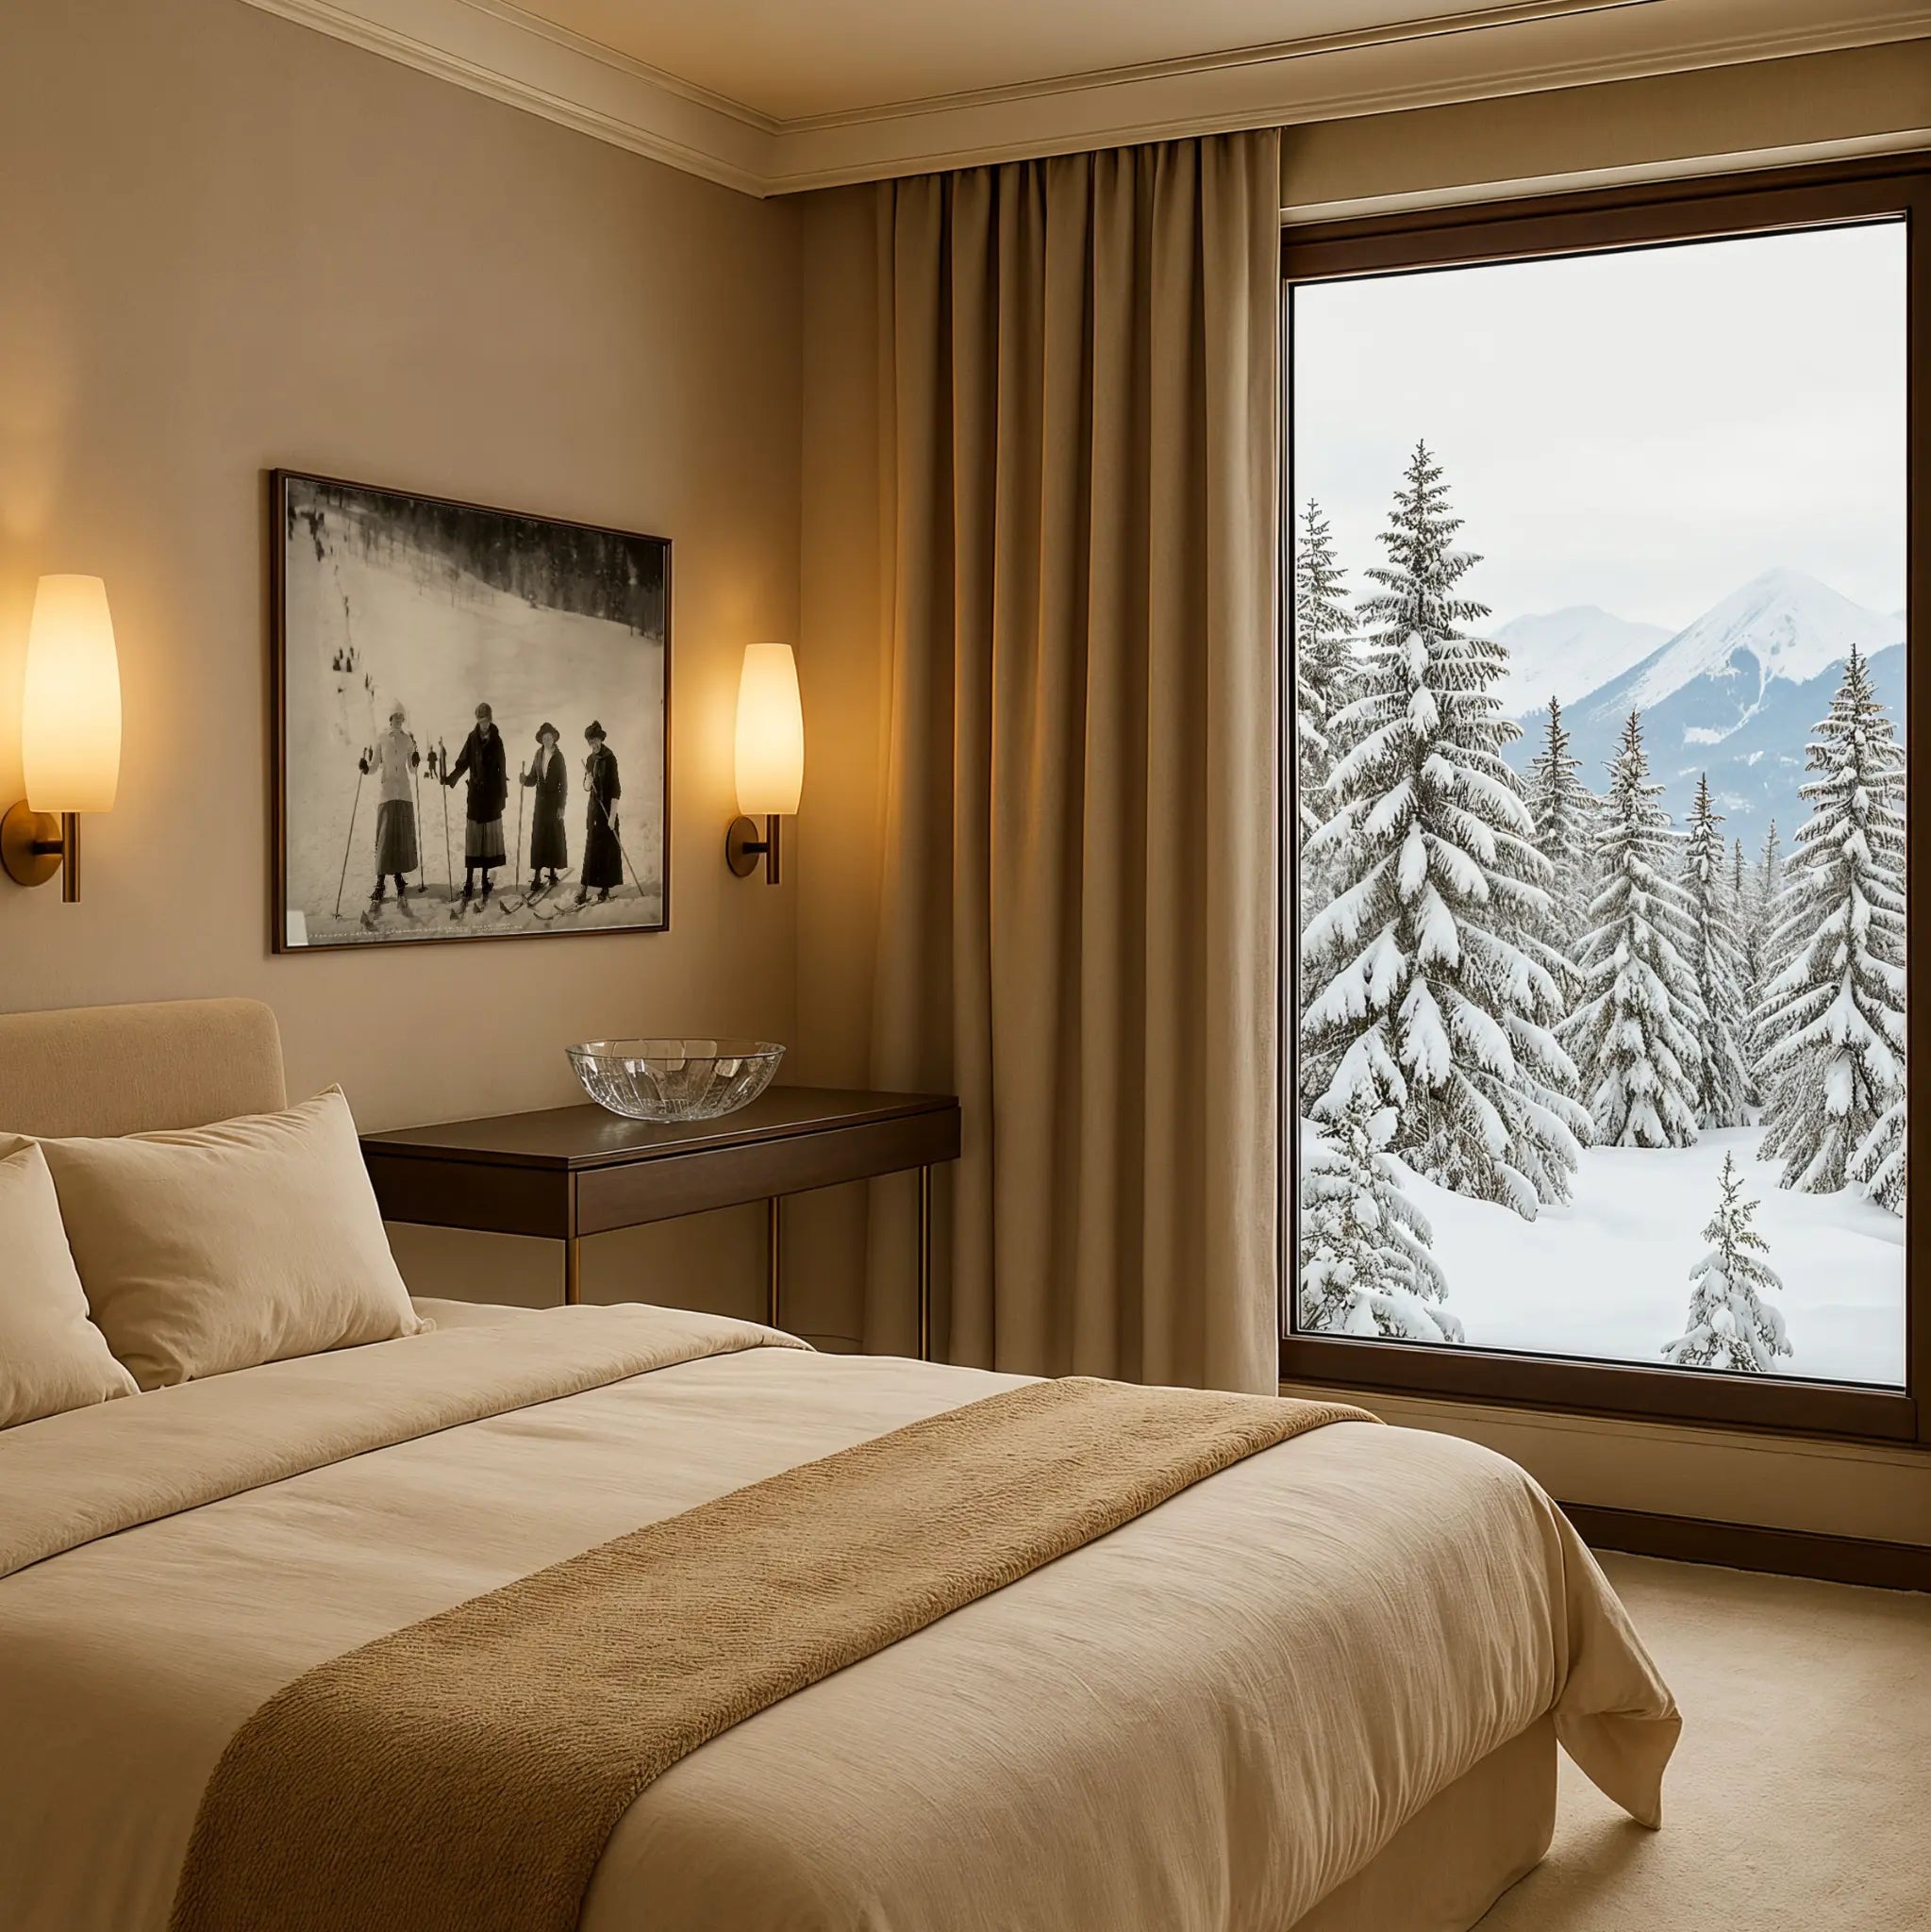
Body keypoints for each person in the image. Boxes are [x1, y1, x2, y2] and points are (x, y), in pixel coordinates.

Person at [442, 702, 508, 901]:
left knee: (487, 839)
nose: (484, 724)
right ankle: (469, 881)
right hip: (475, 797)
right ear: (477, 721)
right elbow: (463, 762)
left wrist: (503, 797)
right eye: (481, 721)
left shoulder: (497, 740)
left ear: (490, 719)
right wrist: (451, 778)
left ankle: (485, 878)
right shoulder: (472, 738)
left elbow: (502, 769)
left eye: (486, 720)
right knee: (473, 839)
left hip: (492, 797)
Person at [358, 704, 421, 902]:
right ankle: (380, 882)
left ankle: (399, 877)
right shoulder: (382, 739)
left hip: (403, 793)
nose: (399, 720)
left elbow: (412, 769)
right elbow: (374, 766)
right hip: (386, 793)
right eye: (396, 717)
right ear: (390, 718)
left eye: (401, 717)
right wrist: (365, 768)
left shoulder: (407, 740)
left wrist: (416, 760)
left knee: (400, 838)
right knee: (385, 837)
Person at [577, 720, 623, 905]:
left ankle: (605, 889)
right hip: (594, 811)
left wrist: (612, 816)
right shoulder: (589, 760)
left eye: (595, 741)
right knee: (590, 850)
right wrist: (588, 781)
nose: (593, 745)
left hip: (607, 812)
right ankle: (583, 887)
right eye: (590, 742)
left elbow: (616, 789)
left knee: (606, 850)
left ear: (601, 740)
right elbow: (586, 787)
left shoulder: (610, 759)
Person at [521, 722, 569, 891]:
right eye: (544, 738)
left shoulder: (559, 757)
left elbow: (564, 784)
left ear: (554, 738)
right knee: (539, 837)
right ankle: (536, 876)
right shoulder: (538, 755)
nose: (547, 740)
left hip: (554, 802)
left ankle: (553, 872)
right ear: (541, 740)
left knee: (553, 836)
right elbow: (533, 778)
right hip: (540, 803)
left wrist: (561, 806)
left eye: (550, 737)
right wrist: (525, 780)